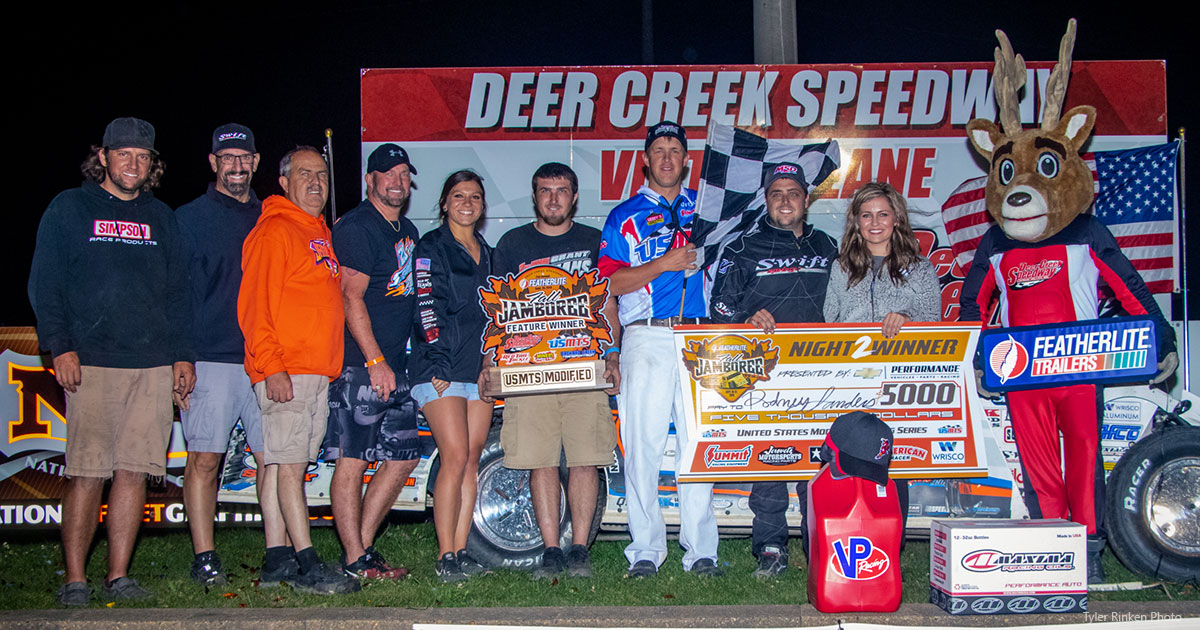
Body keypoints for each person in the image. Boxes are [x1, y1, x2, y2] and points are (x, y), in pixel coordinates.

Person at [29, 117, 195, 606]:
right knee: (86, 472)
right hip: (92, 361)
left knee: (133, 472)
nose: (133, 164)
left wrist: (182, 357)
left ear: (152, 164)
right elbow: (46, 284)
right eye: (124, 154)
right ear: (103, 156)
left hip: (151, 365)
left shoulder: (162, 217)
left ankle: (118, 575)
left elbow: (179, 294)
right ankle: (74, 579)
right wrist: (59, 345)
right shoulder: (69, 208)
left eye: (143, 157)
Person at [482, 162, 621, 579]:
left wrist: (612, 355)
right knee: (539, 460)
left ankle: (579, 548)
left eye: (562, 191)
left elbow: (610, 304)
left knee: (585, 460)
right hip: (531, 374)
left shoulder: (596, 242)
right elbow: (498, 313)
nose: (554, 199)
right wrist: (490, 363)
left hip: (585, 370)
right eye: (546, 191)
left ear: (574, 197)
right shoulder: (511, 244)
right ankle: (550, 549)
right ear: (534, 195)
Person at [597, 121, 721, 578]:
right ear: (645, 160)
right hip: (646, 334)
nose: (667, 158)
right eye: (659, 150)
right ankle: (646, 550)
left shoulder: (707, 211)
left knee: (697, 444)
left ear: (687, 160)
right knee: (642, 445)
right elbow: (608, 282)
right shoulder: (624, 215)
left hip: (701, 337)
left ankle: (701, 550)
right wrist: (664, 264)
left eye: (675, 150)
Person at [708, 161, 840, 578]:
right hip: (767, 373)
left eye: (793, 193)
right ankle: (770, 546)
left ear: (806, 199)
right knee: (773, 460)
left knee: (822, 462)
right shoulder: (742, 247)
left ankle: (822, 542)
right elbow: (720, 308)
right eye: (777, 193)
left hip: (824, 372)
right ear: (767, 200)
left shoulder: (828, 245)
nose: (786, 201)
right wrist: (747, 320)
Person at [237, 146, 359, 595]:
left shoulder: (316, 230)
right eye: (305, 174)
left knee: (277, 465)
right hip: (286, 369)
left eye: (323, 176)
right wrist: (272, 368)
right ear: (283, 181)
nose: (316, 183)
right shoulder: (275, 230)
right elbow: (253, 307)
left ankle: (276, 559)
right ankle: (308, 563)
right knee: (290, 467)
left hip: (312, 370)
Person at [175, 123, 275, 587]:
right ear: (213, 163)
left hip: (267, 359)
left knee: (271, 459)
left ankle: (278, 551)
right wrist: (182, 356)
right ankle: (204, 555)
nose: (236, 166)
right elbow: (172, 293)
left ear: (256, 162)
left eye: (244, 158)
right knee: (206, 460)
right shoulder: (188, 218)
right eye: (227, 158)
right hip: (211, 359)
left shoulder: (275, 215)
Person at [823, 181, 941, 555]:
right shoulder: (841, 267)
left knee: (891, 462)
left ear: (897, 219)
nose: (875, 223)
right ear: (856, 222)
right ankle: (839, 541)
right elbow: (827, 321)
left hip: (898, 378)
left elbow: (934, 321)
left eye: (883, 214)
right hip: (849, 378)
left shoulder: (920, 269)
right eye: (866, 215)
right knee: (844, 455)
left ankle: (889, 546)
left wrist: (907, 317)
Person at [325, 144, 421, 581]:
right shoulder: (357, 226)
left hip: (395, 367)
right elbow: (350, 296)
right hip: (363, 365)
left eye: (403, 174)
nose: (397, 182)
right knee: (355, 459)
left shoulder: (407, 230)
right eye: (388, 174)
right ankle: (353, 556)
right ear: (370, 180)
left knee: (402, 457)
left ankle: (359, 551)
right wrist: (375, 360)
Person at [409, 170, 495, 582]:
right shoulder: (431, 247)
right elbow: (427, 305)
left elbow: (497, 316)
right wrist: (438, 360)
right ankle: (444, 555)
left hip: (476, 371)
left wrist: (491, 362)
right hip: (439, 368)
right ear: (444, 203)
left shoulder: (488, 251)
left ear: (482, 205)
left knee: (472, 461)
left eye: (475, 197)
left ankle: (461, 551)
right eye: (458, 196)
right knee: (455, 456)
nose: (467, 203)